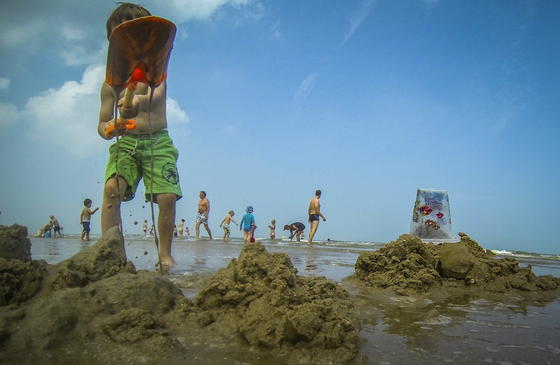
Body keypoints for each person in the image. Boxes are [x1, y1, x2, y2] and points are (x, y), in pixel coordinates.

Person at [98, 3, 181, 268]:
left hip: (158, 141)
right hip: (127, 143)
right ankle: (111, 252)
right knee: (113, 189)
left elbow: (151, 98)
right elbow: (102, 123)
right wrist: (111, 128)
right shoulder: (111, 85)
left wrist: (133, 104)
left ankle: (165, 255)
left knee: (166, 197)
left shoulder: (158, 77)